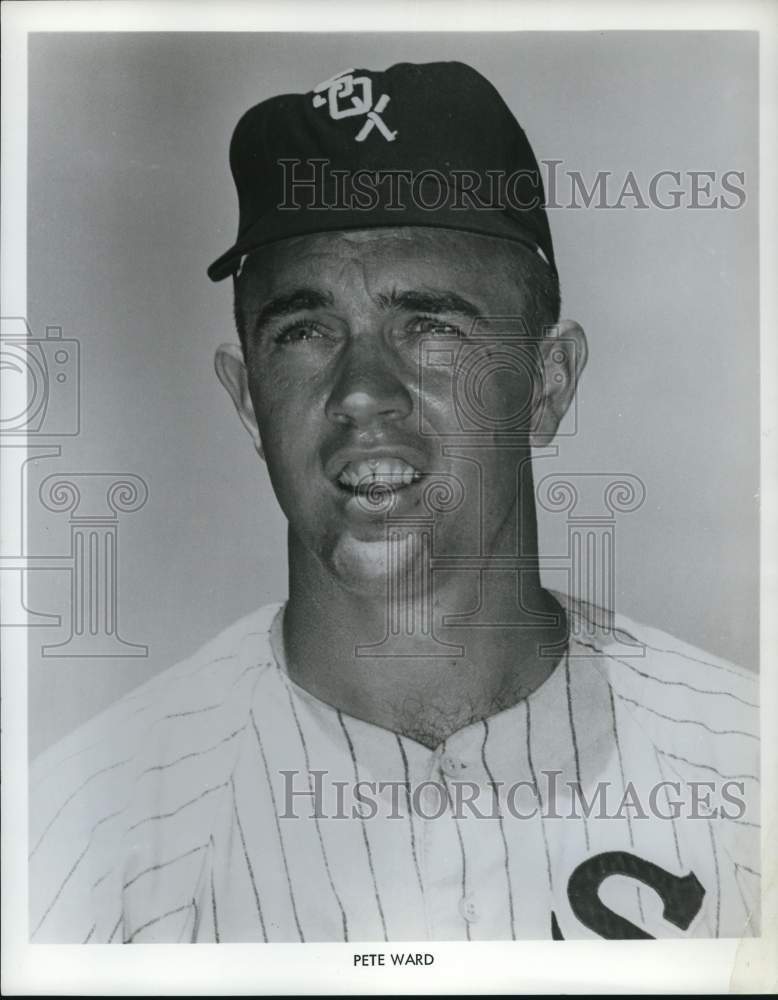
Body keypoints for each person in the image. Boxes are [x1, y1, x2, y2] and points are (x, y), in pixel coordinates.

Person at [29, 61, 759, 944]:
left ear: (548, 383)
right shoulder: (77, 845)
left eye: (433, 324)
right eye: (304, 330)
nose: (363, 391)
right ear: (246, 397)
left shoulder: (747, 774)